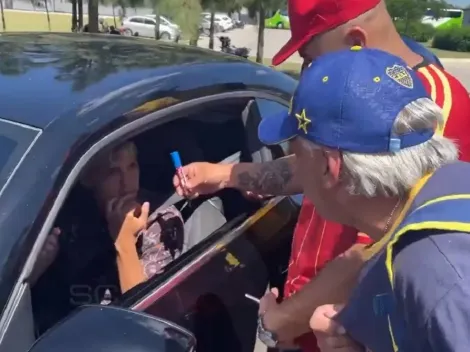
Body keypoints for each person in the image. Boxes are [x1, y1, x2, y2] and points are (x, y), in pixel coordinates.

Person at [173, 0, 470, 350]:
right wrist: (226, 175)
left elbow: (370, 258)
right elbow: (318, 165)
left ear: (356, 40)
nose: (307, 70)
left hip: (334, 328)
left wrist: (280, 323)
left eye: (312, 58)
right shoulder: (361, 100)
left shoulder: (428, 112)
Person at [260, 46, 470, 352]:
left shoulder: (436, 274)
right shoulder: (451, 184)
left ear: (328, 167)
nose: (294, 164)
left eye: (296, 150)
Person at [31, 141, 184, 333]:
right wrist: (35, 269)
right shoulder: (67, 218)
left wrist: (124, 240)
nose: (126, 181)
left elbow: (148, 324)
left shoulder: (161, 221)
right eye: (113, 172)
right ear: (90, 180)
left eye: (131, 166)